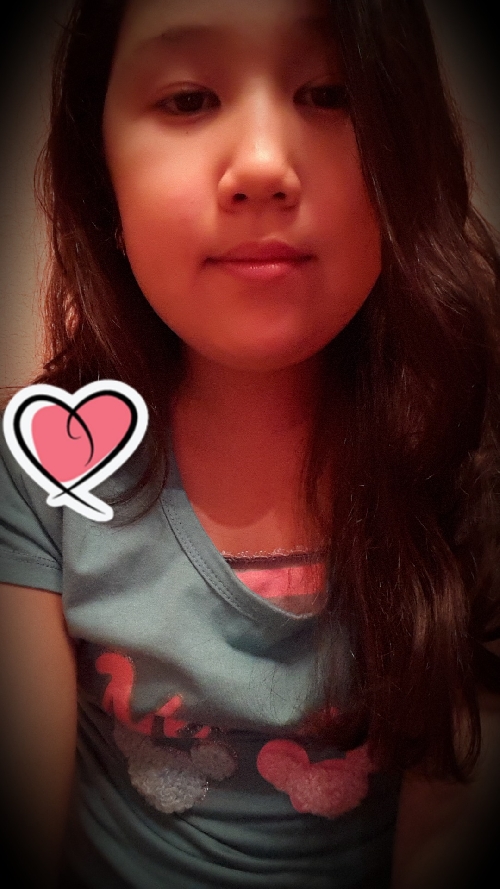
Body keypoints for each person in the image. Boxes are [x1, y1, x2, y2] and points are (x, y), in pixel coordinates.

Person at [1, 0, 499, 886]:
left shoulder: (469, 456)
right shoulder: (46, 464)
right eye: (189, 100)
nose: (264, 164)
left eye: (331, 92)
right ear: (99, 162)